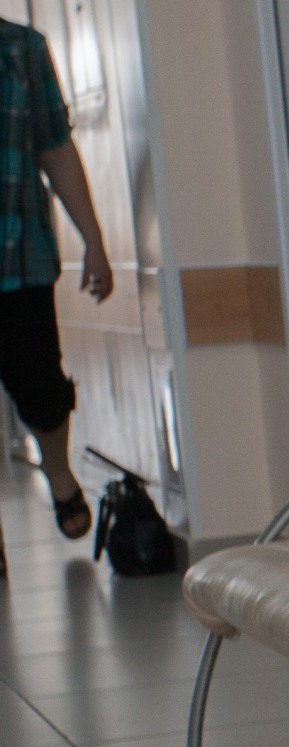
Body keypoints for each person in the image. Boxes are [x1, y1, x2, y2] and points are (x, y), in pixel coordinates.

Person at [1, 17, 113, 571]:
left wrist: (94, 240)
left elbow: (55, 149)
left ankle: (58, 468)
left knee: (42, 389)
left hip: (19, 258)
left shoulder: (22, 49)